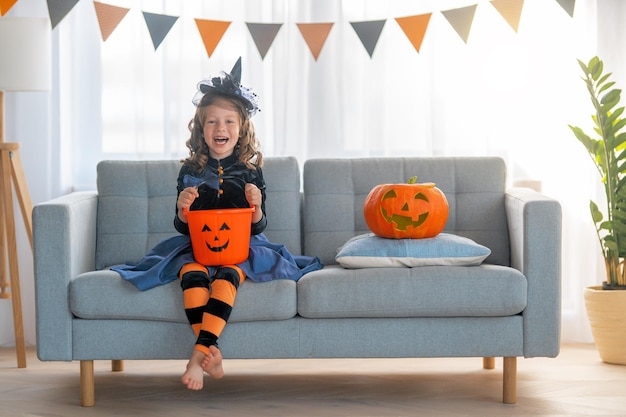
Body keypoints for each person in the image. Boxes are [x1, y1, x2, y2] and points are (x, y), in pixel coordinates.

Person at [111, 57, 322, 392]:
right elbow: (183, 227)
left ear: (241, 129)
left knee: (227, 277)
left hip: (242, 249)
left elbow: (259, 225)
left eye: (228, 122)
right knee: (192, 276)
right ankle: (214, 352)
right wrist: (182, 209)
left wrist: (255, 207)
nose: (220, 129)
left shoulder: (251, 171)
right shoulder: (189, 171)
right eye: (212, 122)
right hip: (197, 246)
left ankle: (198, 356)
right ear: (201, 129)